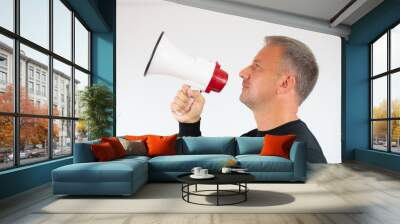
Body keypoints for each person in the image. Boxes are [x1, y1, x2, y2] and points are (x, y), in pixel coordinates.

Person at [170, 36, 327, 163]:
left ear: (285, 83)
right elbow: (201, 169)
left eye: (257, 67)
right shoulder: (251, 139)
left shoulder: (305, 157)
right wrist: (189, 124)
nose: (243, 72)